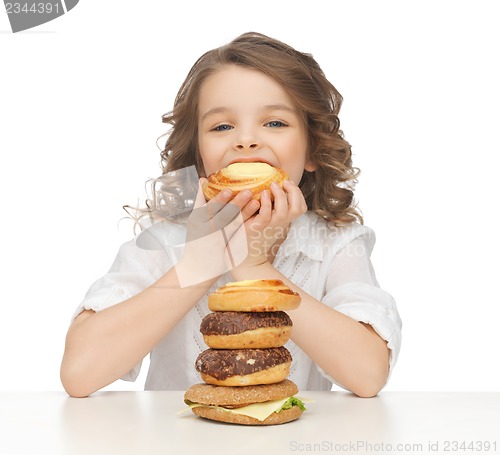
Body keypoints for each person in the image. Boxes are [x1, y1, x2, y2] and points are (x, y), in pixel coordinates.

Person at [60, 32, 402, 398]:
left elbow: (367, 375)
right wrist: (198, 265)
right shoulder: (164, 242)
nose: (246, 140)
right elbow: (79, 373)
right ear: (199, 157)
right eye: (222, 126)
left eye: (275, 123)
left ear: (311, 152)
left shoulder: (336, 244)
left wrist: (255, 269)